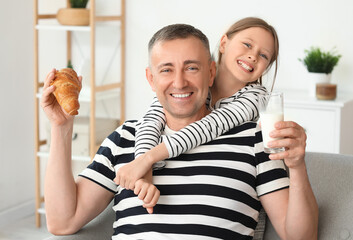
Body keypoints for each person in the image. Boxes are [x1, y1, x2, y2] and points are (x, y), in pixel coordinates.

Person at [42, 23, 318, 239]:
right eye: (166, 70)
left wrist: (297, 167)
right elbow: (62, 222)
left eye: (192, 68)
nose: (179, 82)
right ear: (151, 79)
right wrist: (61, 129)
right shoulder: (124, 138)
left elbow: (301, 236)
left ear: (211, 73)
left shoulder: (254, 141)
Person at [115, 17, 278, 190]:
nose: (253, 56)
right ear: (223, 43)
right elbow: (151, 120)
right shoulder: (191, 83)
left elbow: (209, 126)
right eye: (247, 44)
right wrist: (142, 169)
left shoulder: (256, 98)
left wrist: (148, 159)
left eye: (263, 55)